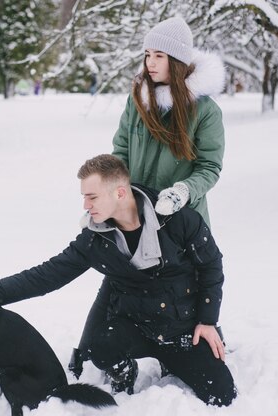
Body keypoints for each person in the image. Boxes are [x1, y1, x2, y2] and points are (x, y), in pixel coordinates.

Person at [0, 154, 237, 406]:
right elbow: (47, 275)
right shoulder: (94, 239)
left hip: (181, 330)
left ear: (119, 193)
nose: (85, 205)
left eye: (91, 197)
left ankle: (178, 358)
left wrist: (207, 320)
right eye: (84, 196)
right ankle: (126, 374)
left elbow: (211, 266)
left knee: (223, 395)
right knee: (101, 347)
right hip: (134, 326)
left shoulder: (177, 220)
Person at [72, 15, 228, 385]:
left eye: (159, 55)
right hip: (134, 214)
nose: (150, 63)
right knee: (118, 280)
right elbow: (119, 153)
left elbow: (209, 166)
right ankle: (92, 350)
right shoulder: (137, 101)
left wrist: (183, 191)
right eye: (147, 54)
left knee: (186, 286)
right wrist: (109, 203)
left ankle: (201, 339)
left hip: (180, 219)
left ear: (177, 60)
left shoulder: (204, 111)